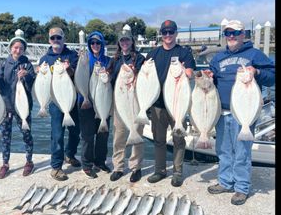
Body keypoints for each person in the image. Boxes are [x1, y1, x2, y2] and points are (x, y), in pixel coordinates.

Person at [204, 20, 275, 205]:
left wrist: (257, 72)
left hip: (244, 113)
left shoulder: (255, 54)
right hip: (222, 112)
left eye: (235, 33)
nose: (232, 36)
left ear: (244, 34)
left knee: (242, 152)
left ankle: (241, 187)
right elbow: (212, 76)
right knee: (223, 149)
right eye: (228, 33)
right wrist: (207, 76)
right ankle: (225, 181)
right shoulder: (218, 58)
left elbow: (272, 78)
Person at [146, 20, 196, 187]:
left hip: (177, 105)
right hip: (158, 104)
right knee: (158, 139)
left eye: (171, 32)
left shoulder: (184, 52)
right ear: (161, 33)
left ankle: (177, 172)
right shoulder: (153, 54)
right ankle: (160, 170)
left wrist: (184, 70)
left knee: (178, 139)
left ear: (176, 33)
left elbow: (190, 73)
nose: (168, 35)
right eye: (165, 32)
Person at [0, 30, 36, 179]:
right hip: (5, 107)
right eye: (15, 47)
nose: (18, 50)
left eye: (21, 48)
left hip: (23, 107)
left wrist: (26, 77)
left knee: (27, 135)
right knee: (6, 137)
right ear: (10, 48)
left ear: (24, 50)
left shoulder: (27, 65)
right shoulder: (2, 64)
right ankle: (5, 164)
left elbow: (33, 83)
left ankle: (29, 161)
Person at [38, 27, 81, 181]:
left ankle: (69, 155)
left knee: (76, 132)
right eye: (53, 38)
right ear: (49, 40)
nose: (56, 40)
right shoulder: (44, 59)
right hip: (55, 102)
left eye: (59, 37)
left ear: (64, 39)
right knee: (57, 135)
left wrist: (70, 70)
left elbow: (78, 76)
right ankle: (56, 167)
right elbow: (42, 84)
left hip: (71, 100)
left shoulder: (72, 55)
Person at [108, 30, 146, 183]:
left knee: (137, 133)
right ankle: (118, 167)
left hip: (136, 101)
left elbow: (146, 78)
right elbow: (109, 78)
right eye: (122, 40)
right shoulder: (114, 60)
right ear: (119, 43)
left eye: (127, 40)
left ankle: (136, 167)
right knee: (119, 136)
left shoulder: (140, 59)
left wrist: (137, 73)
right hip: (119, 102)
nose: (125, 43)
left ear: (132, 42)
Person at [78, 31, 111, 179]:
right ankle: (86, 164)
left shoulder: (109, 61)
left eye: (98, 43)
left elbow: (114, 77)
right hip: (86, 103)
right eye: (92, 43)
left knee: (103, 134)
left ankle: (100, 161)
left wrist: (109, 75)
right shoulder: (83, 59)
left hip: (103, 102)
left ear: (102, 44)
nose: (95, 45)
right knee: (87, 135)